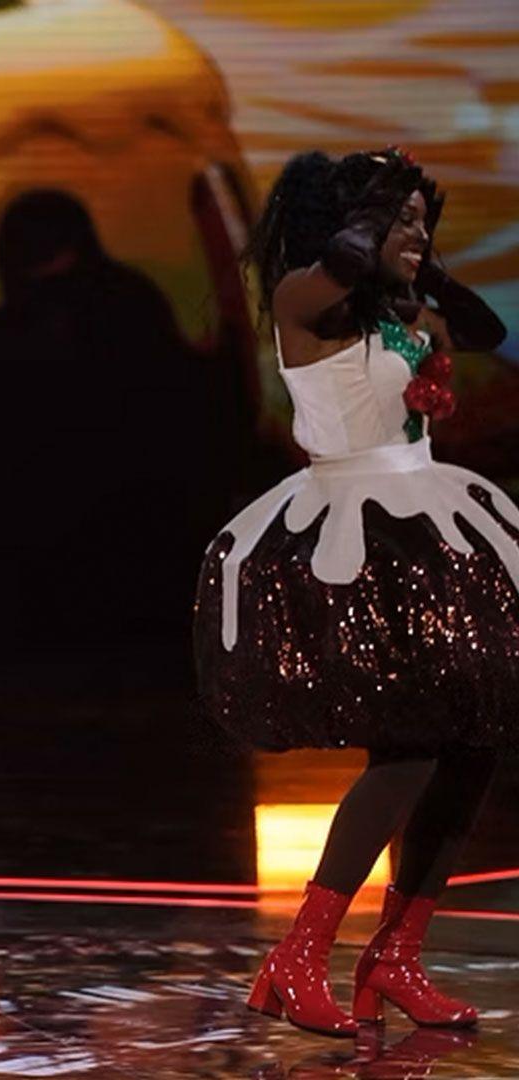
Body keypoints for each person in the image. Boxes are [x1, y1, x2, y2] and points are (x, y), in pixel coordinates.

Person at [195, 147, 510, 1037]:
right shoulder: (303, 296)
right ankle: (299, 955)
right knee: (408, 747)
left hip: (431, 522)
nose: (415, 234)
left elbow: (483, 333)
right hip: (353, 532)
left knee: (475, 740)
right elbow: (338, 265)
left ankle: (398, 956)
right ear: (351, 222)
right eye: (400, 218)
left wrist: (425, 265)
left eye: (422, 220)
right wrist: (374, 221)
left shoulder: (405, 308)